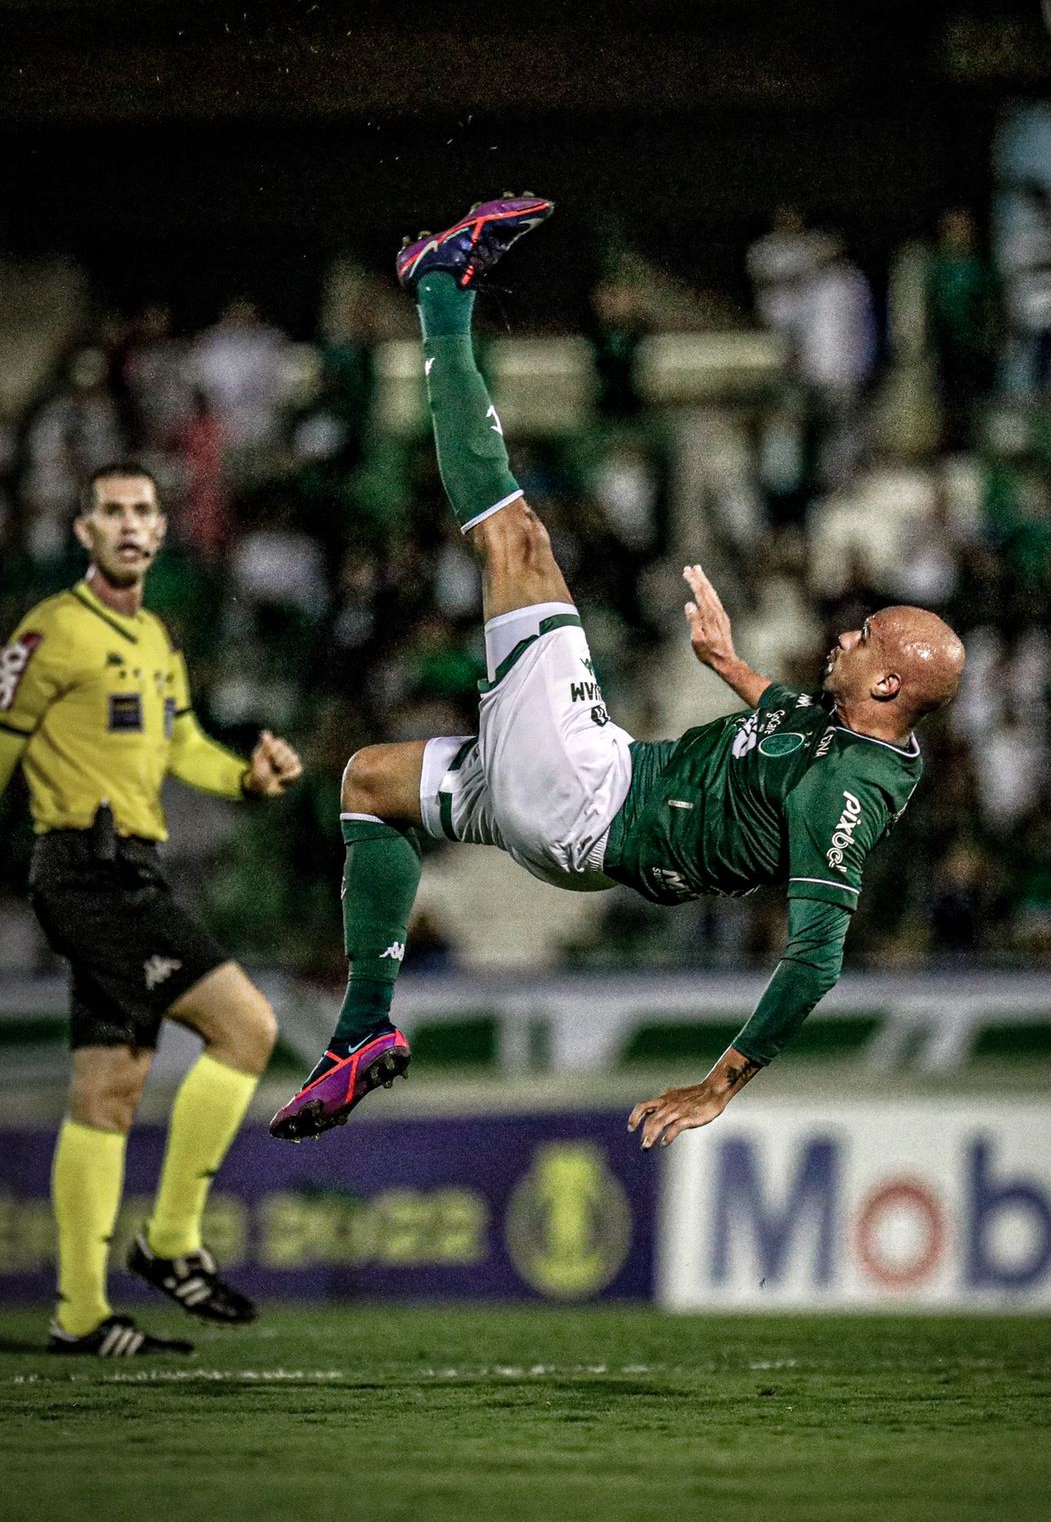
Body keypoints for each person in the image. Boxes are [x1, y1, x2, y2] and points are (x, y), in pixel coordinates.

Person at [268, 197, 964, 1151]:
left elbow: (816, 958)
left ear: (889, 688)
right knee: (371, 783)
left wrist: (721, 1083)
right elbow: (782, 731)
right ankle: (359, 1032)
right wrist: (730, 665)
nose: (848, 631)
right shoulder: (841, 727)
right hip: (585, 804)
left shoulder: (851, 786)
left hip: (590, 797)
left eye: (869, 635)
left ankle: (439, 286)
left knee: (515, 540)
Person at [0, 463, 303, 1356]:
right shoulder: (51, 631)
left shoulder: (158, 638)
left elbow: (184, 747)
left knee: (108, 1088)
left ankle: (82, 1315)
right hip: (86, 872)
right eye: (111, 511)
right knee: (245, 1026)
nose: (130, 524)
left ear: (161, 532)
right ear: (84, 530)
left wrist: (244, 776)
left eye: (143, 510)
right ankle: (171, 1241)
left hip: (131, 868)